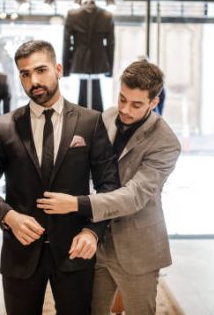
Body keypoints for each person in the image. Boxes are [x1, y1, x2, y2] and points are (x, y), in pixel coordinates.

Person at [0, 40, 119, 315]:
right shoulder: (3, 127)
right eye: (25, 74)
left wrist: (93, 232)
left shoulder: (90, 121)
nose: (34, 80)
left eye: (41, 70)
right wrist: (9, 216)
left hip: (75, 250)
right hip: (20, 252)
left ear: (58, 69)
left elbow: (109, 186)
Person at [37, 60, 181, 315]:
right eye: (122, 98)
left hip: (138, 247)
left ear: (153, 102)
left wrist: (76, 203)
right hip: (97, 241)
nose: (125, 109)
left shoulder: (166, 142)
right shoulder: (107, 116)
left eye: (136, 104)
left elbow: (134, 196)